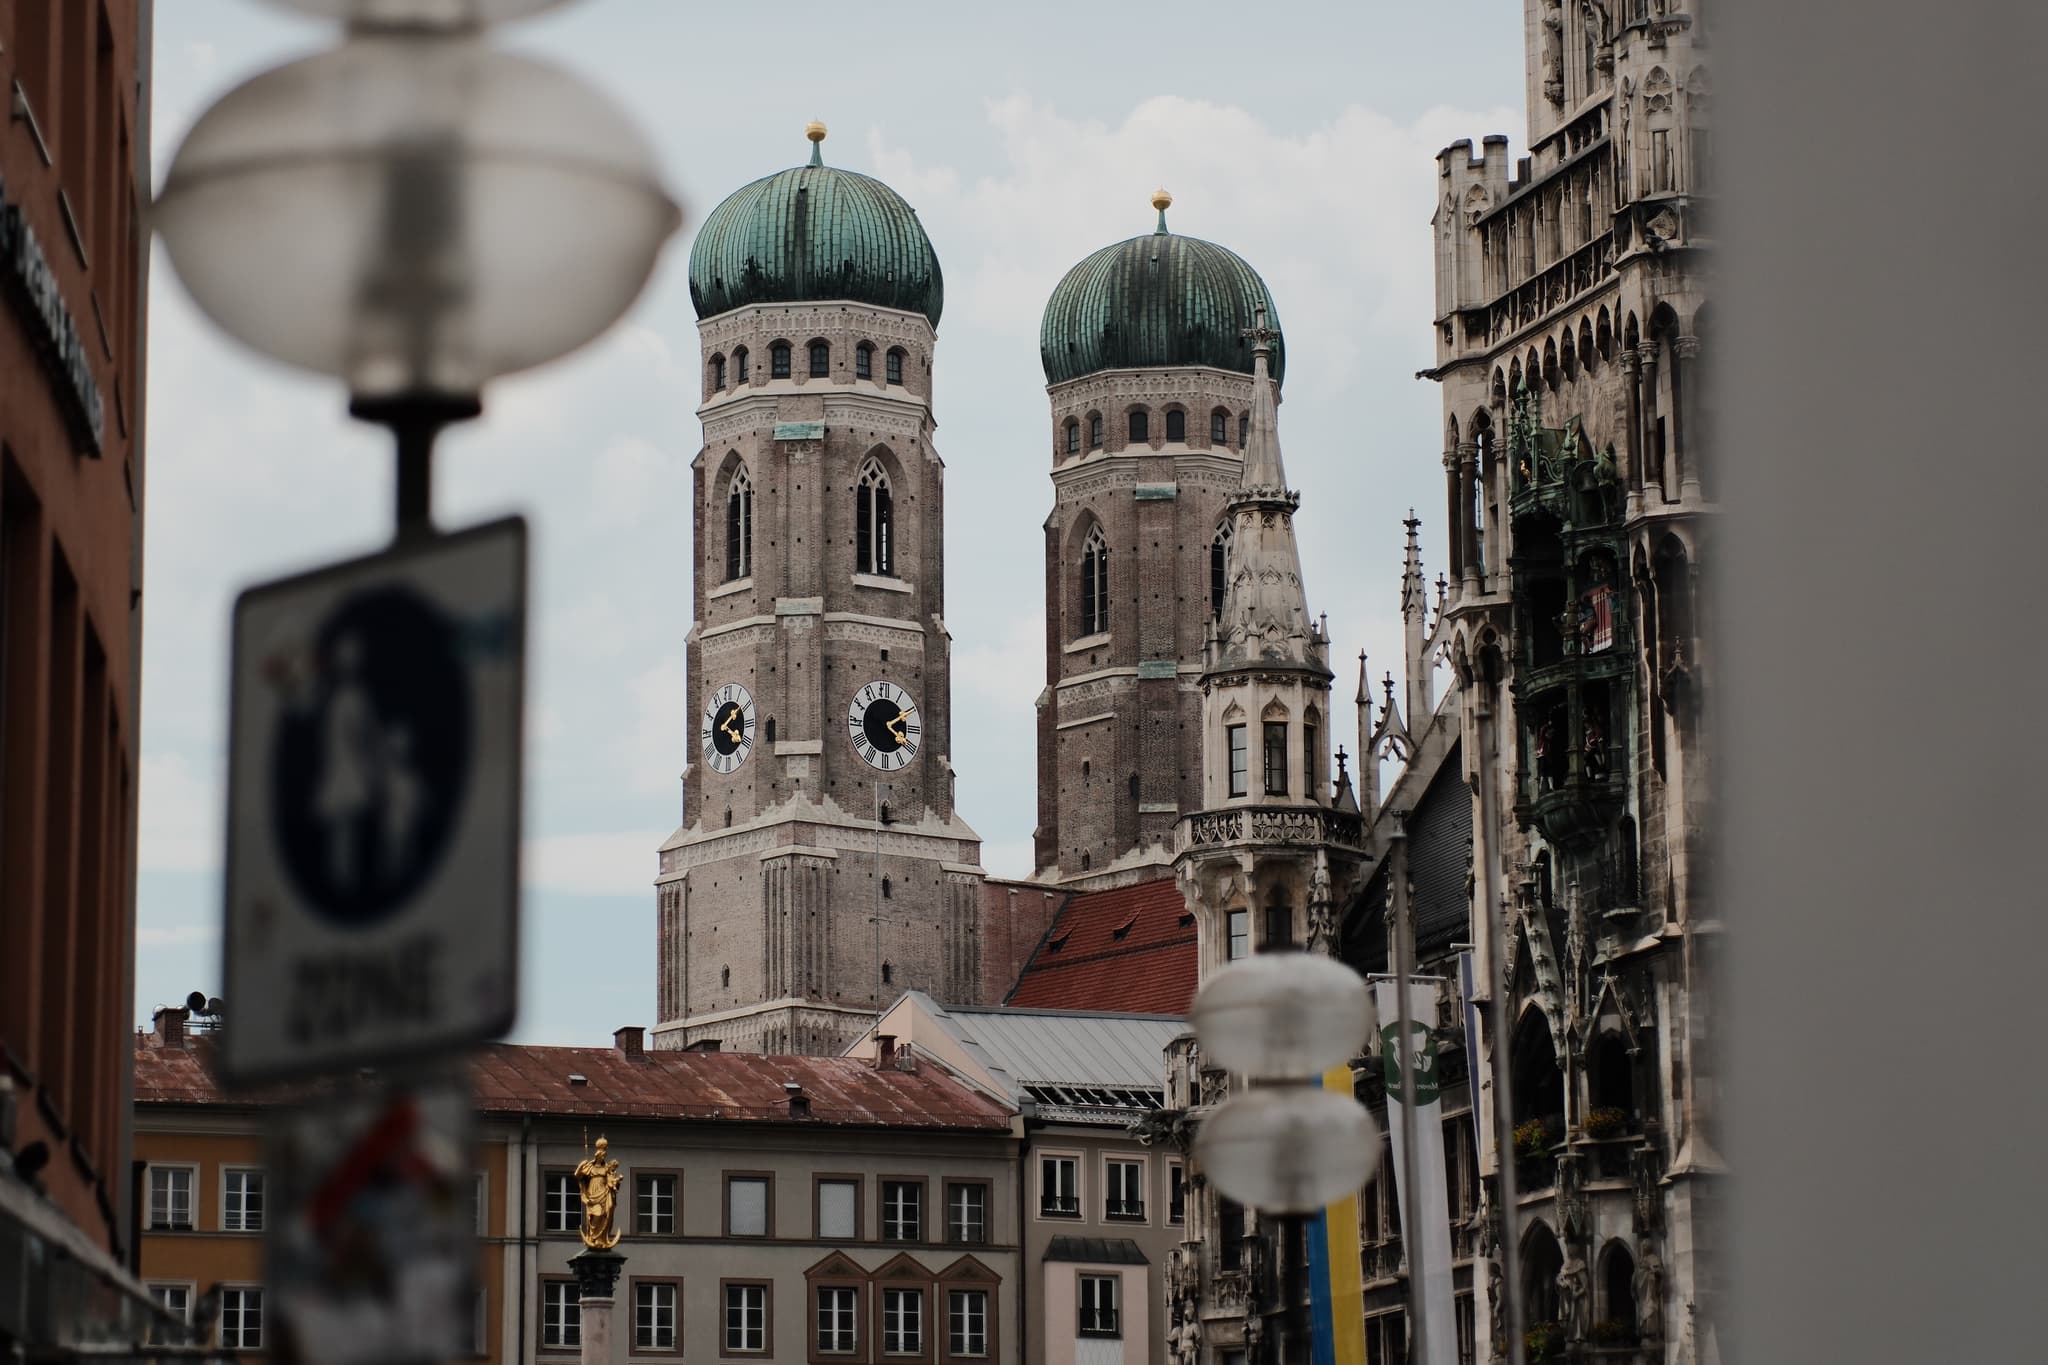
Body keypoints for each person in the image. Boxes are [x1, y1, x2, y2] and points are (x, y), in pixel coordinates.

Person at [574, 1136, 623, 1249]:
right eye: (602, 1156)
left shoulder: (607, 1168)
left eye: (604, 1156)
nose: (603, 1157)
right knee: (597, 1213)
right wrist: (581, 1165)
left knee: (607, 1212)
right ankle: (593, 1237)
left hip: (604, 1192)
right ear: (597, 1157)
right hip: (593, 1193)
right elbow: (578, 1176)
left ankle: (602, 1240)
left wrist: (616, 1182)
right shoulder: (590, 1167)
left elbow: (612, 1181)